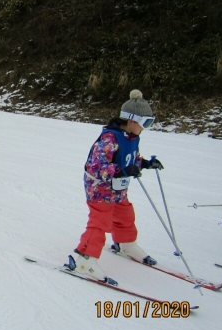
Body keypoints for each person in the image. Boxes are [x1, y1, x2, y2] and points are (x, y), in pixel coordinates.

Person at [69, 89, 164, 285]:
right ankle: (85, 259)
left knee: (125, 215)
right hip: (100, 189)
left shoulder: (132, 138)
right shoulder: (109, 138)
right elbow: (97, 165)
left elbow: (132, 160)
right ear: (131, 120)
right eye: (144, 123)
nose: (145, 128)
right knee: (100, 221)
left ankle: (125, 243)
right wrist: (120, 170)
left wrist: (145, 164)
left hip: (118, 189)